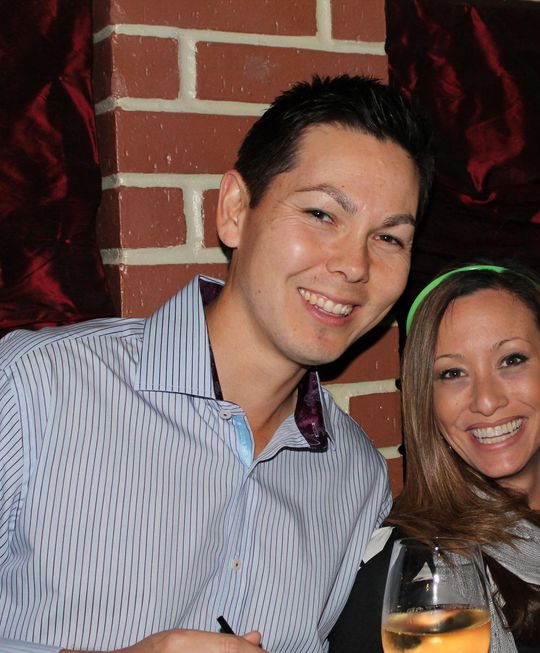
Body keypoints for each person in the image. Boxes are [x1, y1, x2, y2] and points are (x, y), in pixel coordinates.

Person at [0, 74, 433, 652]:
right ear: (234, 210)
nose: (354, 265)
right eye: (323, 215)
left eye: (389, 239)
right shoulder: (36, 385)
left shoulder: (355, 478)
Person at [329, 264, 540, 653]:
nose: (486, 400)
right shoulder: (410, 571)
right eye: (452, 373)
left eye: (511, 360)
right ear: (427, 400)